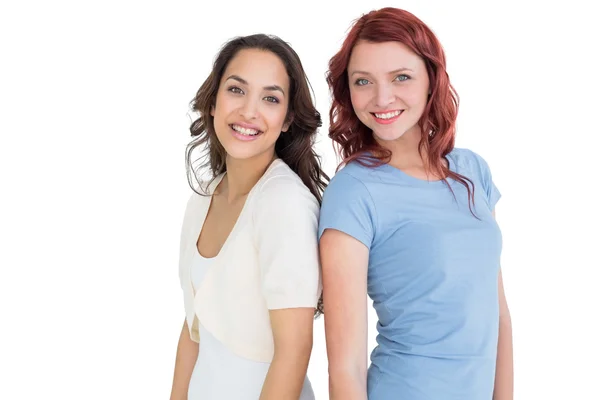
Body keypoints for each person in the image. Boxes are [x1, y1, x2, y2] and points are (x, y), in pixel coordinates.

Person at [318, 7, 513, 400]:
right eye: (363, 81)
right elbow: (345, 367)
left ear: (431, 79)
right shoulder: (353, 191)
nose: (381, 97)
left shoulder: (473, 171)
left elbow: (497, 316)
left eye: (401, 77)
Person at [169, 33, 327, 400]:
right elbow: (193, 331)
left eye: (270, 98)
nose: (249, 111)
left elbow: (294, 350)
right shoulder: (205, 196)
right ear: (213, 102)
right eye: (236, 90)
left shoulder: (283, 203)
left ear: (287, 119)